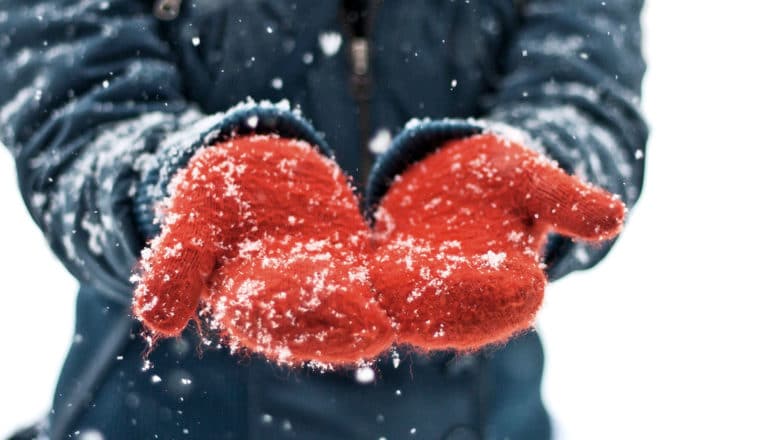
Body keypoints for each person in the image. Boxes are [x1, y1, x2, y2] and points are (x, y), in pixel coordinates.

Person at [0, 0, 647, 438]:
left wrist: (540, 162)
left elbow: (584, 87)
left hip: (477, 408)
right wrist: (166, 190)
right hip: (163, 405)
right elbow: (74, 106)